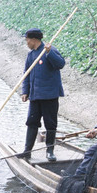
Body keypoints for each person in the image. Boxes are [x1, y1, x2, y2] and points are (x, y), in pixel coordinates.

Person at [21, 28, 66, 162]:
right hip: (35, 96)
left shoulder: (49, 50)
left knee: (50, 124)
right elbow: (27, 74)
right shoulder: (30, 55)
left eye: (27, 39)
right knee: (32, 122)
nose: (26, 42)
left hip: (49, 95)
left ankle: (50, 151)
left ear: (34, 39)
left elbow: (60, 64)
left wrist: (49, 52)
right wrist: (25, 91)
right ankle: (27, 150)